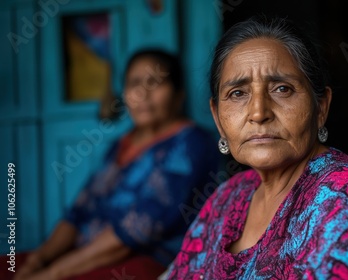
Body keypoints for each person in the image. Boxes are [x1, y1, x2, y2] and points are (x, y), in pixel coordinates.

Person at [160, 16, 348, 279]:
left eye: (282, 89)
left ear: (321, 108)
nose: (258, 113)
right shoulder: (230, 196)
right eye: (238, 93)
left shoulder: (347, 197)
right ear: (217, 118)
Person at [11, 49, 220, 280]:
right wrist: (38, 260)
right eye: (134, 83)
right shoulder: (119, 146)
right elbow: (78, 213)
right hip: (84, 256)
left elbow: (133, 234)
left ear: (178, 94)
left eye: (155, 83)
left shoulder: (192, 144)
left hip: (144, 262)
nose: (143, 93)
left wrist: (52, 273)